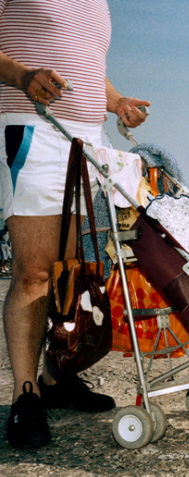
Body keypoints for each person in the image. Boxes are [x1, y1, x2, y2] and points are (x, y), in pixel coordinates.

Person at [0, 0, 149, 450]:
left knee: (71, 273)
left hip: (89, 141)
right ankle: (26, 396)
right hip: (34, 127)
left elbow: (84, 67)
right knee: (34, 271)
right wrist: (24, 76)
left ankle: (54, 377)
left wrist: (116, 100)